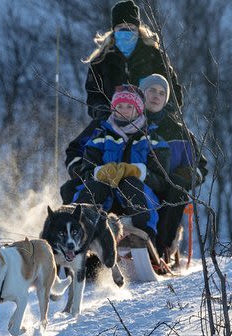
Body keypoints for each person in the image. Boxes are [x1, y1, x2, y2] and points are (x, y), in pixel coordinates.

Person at [72, 85, 169, 242]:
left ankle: (136, 231)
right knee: (93, 188)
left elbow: (162, 181)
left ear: (138, 110)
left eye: (129, 106)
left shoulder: (154, 141)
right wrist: (99, 172)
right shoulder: (99, 138)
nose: (123, 110)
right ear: (113, 108)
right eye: (119, 106)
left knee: (130, 183)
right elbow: (85, 171)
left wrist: (138, 171)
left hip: (139, 200)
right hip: (105, 201)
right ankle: (80, 227)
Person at [138, 73, 208, 261]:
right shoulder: (129, 119)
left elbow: (201, 166)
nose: (156, 96)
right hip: (139, 183)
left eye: (162, 93)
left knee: (176, 191)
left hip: (169, 187)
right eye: (151, 90)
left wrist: (184, 176)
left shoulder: (179, 130)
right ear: (141, 93)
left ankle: (160, 252)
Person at [84, 0, 183, 121]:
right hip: (112, 121)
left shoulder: (154, 55)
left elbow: (172, 89)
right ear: (113, 30)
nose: (125, 31)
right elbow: (93, 96)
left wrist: (164, 113)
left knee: (184, 138)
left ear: (138, 28)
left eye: (130, 27)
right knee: (84, 140)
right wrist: (103, 113)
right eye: (120, 27)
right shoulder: (100, 60)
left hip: (152, 122)